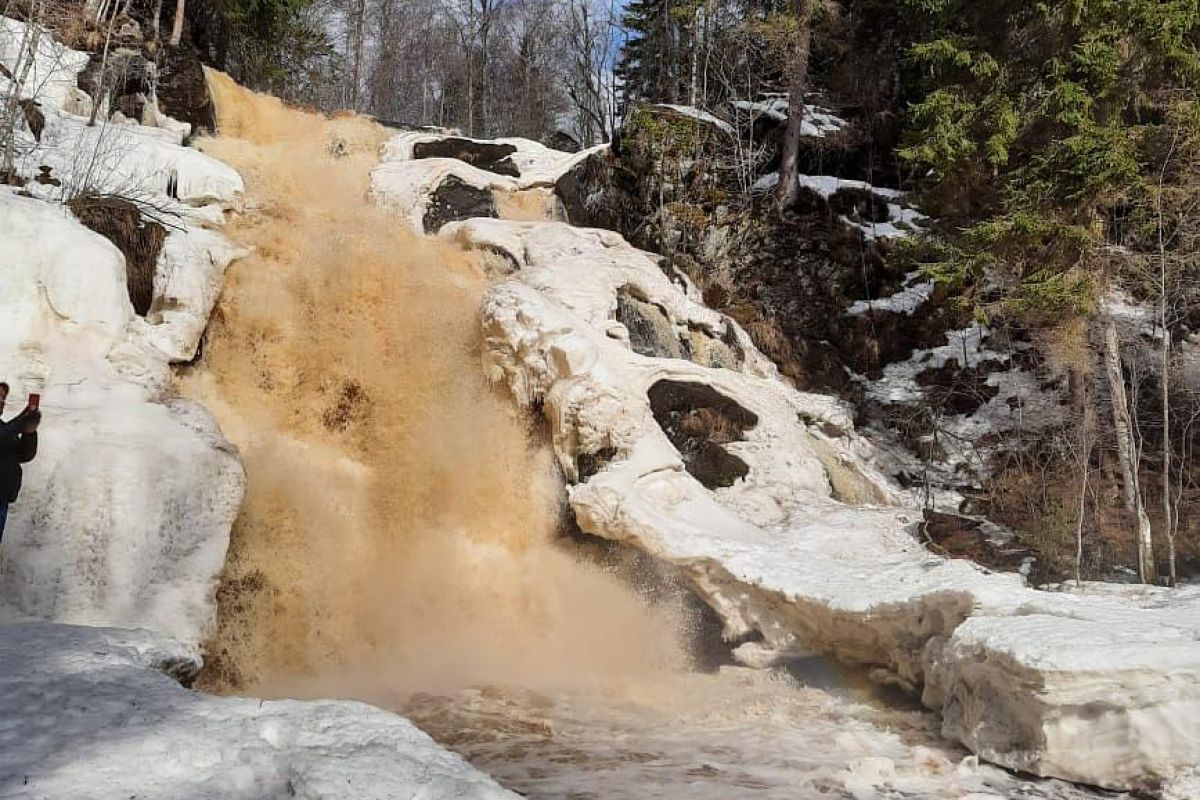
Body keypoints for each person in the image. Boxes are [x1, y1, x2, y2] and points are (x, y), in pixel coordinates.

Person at [0, 383, 40, 542]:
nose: (1, 401)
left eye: (3, 397)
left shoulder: (4, 428)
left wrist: (29, 432)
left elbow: (24, 455)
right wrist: (21, 421)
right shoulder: (6, 430)